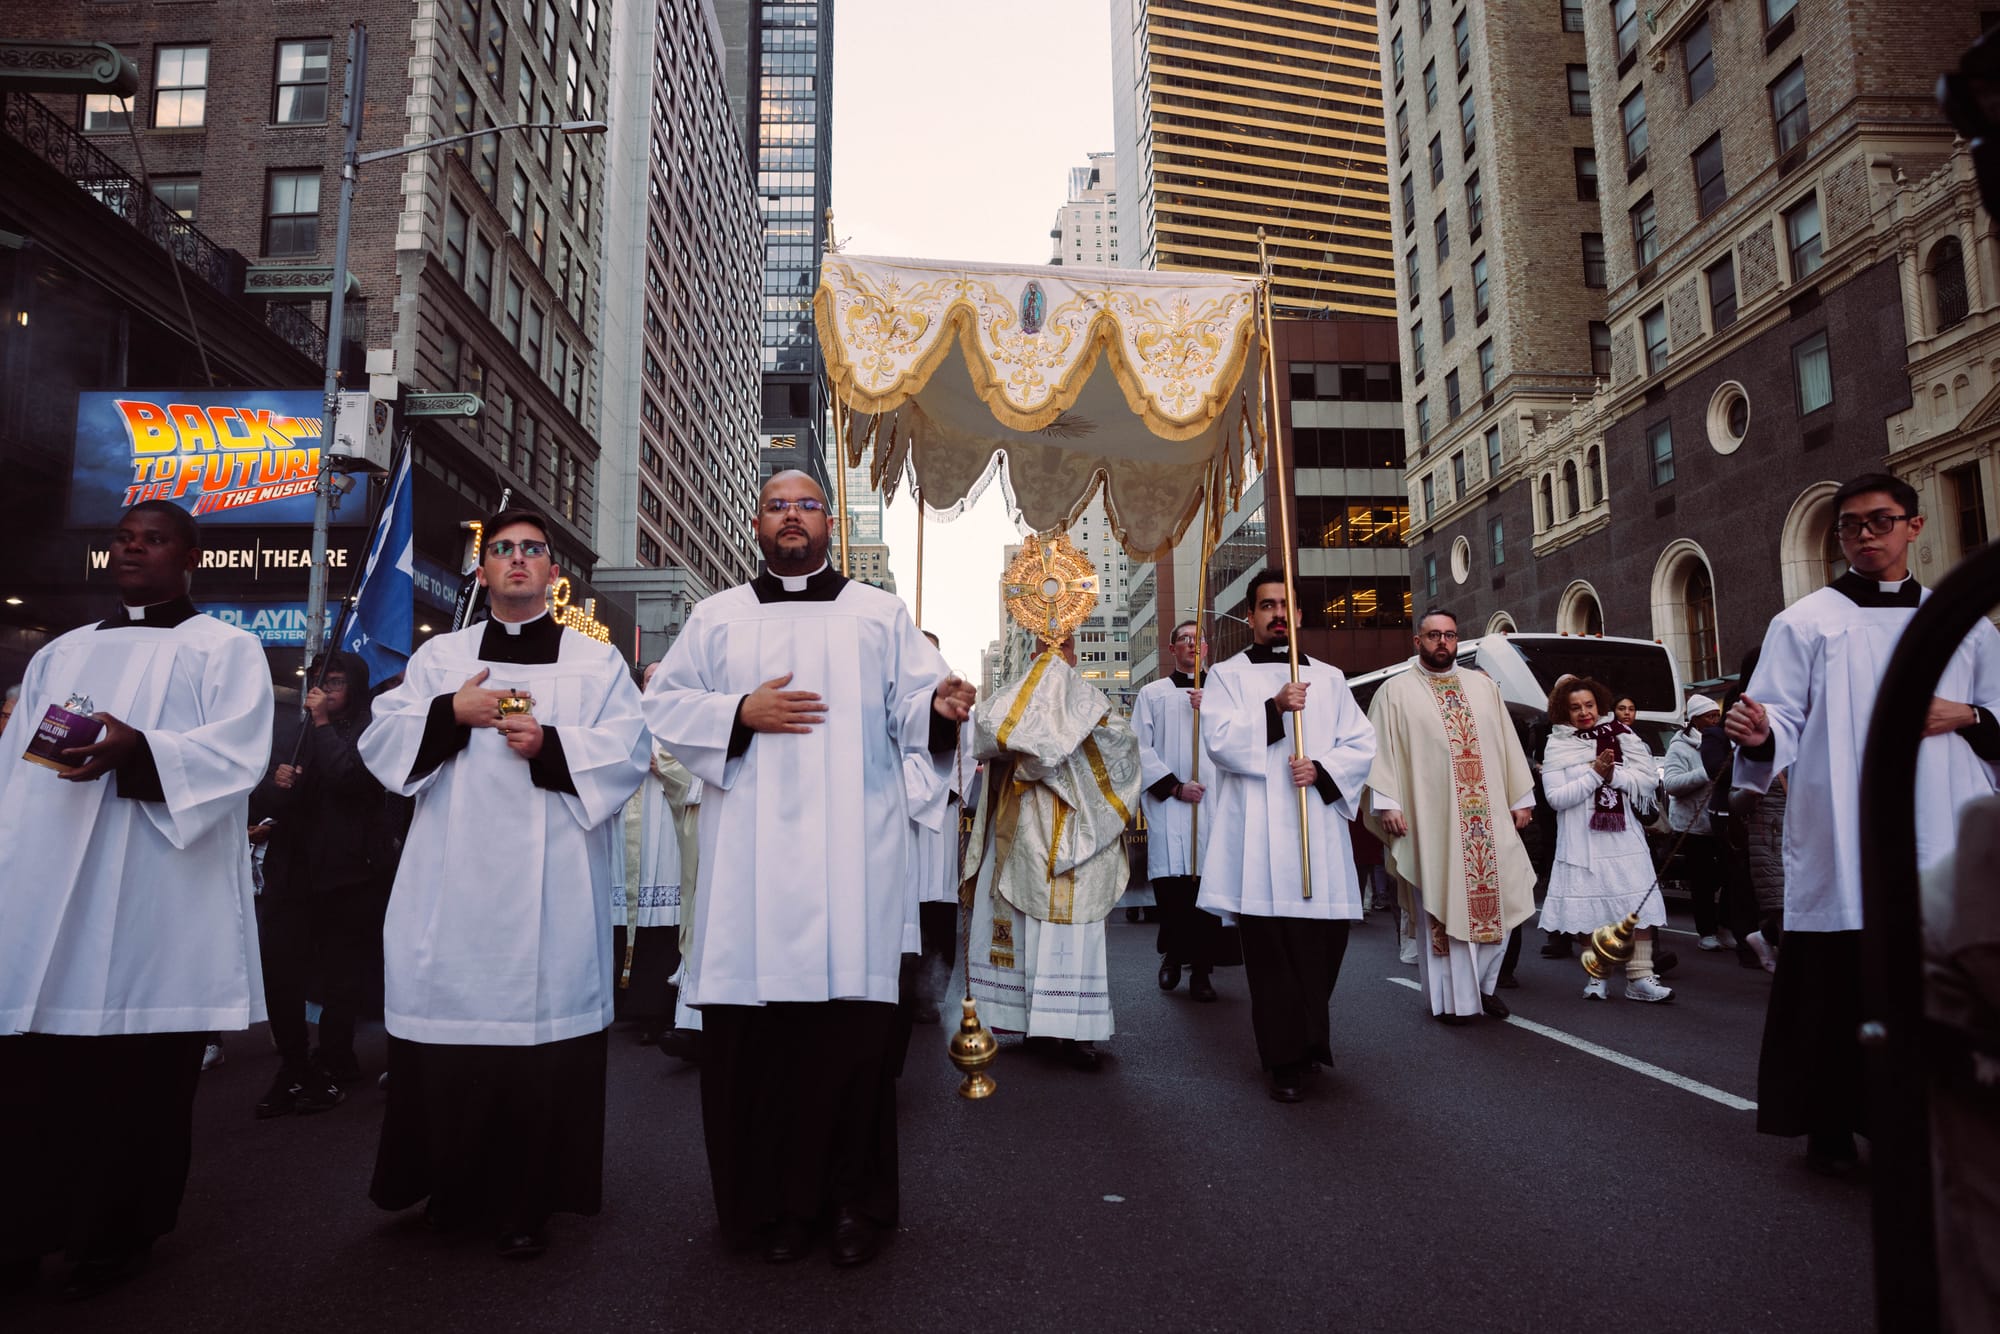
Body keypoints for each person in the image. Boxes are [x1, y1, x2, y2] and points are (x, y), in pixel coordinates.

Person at [644, 470, 971, 1268]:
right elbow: (663, 705)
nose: (792, 517)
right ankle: (770, 1208)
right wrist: (737, 712)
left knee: (850, 1054)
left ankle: (852, 1203)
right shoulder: (717, 617)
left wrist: (940, 711)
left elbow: (913, 710)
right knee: (759, 1055)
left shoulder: (881, 615)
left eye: (807, 505)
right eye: (776, 506)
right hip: (748, 864)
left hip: (853, 862)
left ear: (831, 522)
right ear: (754, 522)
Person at [357, 507, 650, 1259]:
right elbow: (382, 738)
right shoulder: (441, 659)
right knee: (453, 1042)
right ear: (482, 570)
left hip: (552, 886)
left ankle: (527, 1203)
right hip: (451, 886)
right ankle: (451, 1190)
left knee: (536, 1050)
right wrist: (451, 712)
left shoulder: (596, 663)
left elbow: (626, 750)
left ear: (555, 574)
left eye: (533, 551)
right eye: (503, 550)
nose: (517, 560)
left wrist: (549, 744)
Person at [0, 501, 272, 1298]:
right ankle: (20, 1230)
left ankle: (117, 1234)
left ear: (191, 555)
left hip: (158, 889)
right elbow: (18, 765)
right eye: (123, 538)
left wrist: (138, 748)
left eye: (152, 539)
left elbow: (238, 753)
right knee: (32, 1071)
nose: (132, 549)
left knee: (138, 1079)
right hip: (50, 880)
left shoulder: (227, 647)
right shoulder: (62, 652)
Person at [1725, 471, 2000, 1172]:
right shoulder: (1805, 621)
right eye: (1851, 526)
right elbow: (1778, 719)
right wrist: (1756, 734)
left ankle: (1938, 1114)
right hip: (1843, 824)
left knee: (1938, 973)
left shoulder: (1965, 622)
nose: (1865, 536)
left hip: (1945, 812)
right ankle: (1829, 1123)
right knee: (1840, 981)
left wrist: (1965, 714)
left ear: (1915, 525)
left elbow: (1999, 710)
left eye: (1880, 521)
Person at [1198, 572, 1377, 1102]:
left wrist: (1321, 769)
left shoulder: (1331, 677)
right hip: (1257, 837)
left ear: (1298, 616)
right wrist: (1274, 709)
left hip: (1315, 831)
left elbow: (1361, 743)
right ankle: (1282, 1060)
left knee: (1322, 948)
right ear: (1250, 617)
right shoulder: (1227, 676)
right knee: (1271, 955)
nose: (1277, 614)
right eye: (1266, 606)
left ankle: (1308, 1040)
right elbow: (1220, 742)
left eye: (1285, 606)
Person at [965, 633, 1142, 1070]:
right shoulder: (1010, 700)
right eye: (1045, 644)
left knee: (1076, 933)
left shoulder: (1093, 703)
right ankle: (1034, 1024)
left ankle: (1081, 1030)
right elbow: (986, 732)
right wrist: (1033, 752)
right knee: (1025, 929)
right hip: (1025, 827)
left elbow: (1123, 748)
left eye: (1062, 645)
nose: (1053, 652)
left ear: (1074, 655)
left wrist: (1053, 752)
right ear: (1031, 654)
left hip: (1081, 830)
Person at [1363, 608, 1537, 1024]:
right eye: (1434, 635)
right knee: (1440, 904)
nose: (1443, 642)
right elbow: (1380, 751)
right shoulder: (1395, 692)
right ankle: (1451, 999)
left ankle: (1483, 987)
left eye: (1450, 635)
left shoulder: (1482, 686)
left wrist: (1521, 798)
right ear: (1417, 641)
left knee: (1507, 895)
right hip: (1432, 820)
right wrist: (1388, 802)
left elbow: (1508, 744)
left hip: (1488, 815)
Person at [254, 650, 391, 1118]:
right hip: (294, 872)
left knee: (341, 976)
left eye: (335, 682)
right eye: (319, 682)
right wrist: (277, 783)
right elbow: (263, 803)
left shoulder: (372, 733)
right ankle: (293, 1063)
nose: (324, 691)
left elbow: (349, 777)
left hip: (350, 875)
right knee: (282, 968)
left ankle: (335, 1056)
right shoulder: (296, 734)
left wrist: (322, 725)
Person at [1537, 677, 1674, 1003]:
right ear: (1563, 711)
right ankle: (1596, 977)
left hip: (1623, 836)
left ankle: (1640, 978)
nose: (1584, 713)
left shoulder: (1623, 735)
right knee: (1590, 909)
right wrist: (1596, 775)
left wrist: (1614, 775)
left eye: (1589, 705)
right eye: (1575, 708)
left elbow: (1644, 781)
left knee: (1636, 905)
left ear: (1599, 705)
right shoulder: (1557, 744)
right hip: (1582, 839)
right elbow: (1556, 797)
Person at [1132, 619, 1222, 1000]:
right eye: (1183, 639)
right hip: (1170, 806)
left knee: (1207, 891)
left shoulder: (1222, 692)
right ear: (1172, 650)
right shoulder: (1153, 694)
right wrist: (1174, 786)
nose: (1190, 645)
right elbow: (1137, 747)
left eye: (1196, 639)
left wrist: (1214, 711)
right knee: (1173, 891)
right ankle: (1172, 955)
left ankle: (1202, 971)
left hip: (1213, 804)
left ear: (1205, 648)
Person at [899, 630, 975, 1030]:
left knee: (937, 900)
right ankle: (899, 987)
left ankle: (932, 992)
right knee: (900, 900)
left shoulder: (955, 700)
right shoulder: (892, 694)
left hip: (938, 816)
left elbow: (965, 751)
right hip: (895, 816)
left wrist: (938, 793)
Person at [614, 663, 683, 1046]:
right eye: (648, 679)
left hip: (665, 831)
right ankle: (628, 1002)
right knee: (624, 915)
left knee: (661, 921)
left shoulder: (679, 717)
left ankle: (655, 1008)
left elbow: (696, 768)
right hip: (629, 827)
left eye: (661, 679)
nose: (653, 685)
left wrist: (666, 769)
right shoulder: (629, 718)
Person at [1661, 694, 1734, 952]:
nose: (1715, 721)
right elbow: (1670, 784)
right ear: (1695, 720)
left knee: (1731, 877)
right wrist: (1706, 772)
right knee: (1702, 882)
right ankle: (1707, 931)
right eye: (1710, 717)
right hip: (1692, 826)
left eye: (1717, 716)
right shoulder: (1679, 747)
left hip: (1722, 822)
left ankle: (1726, 925)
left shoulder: (1725, 742)